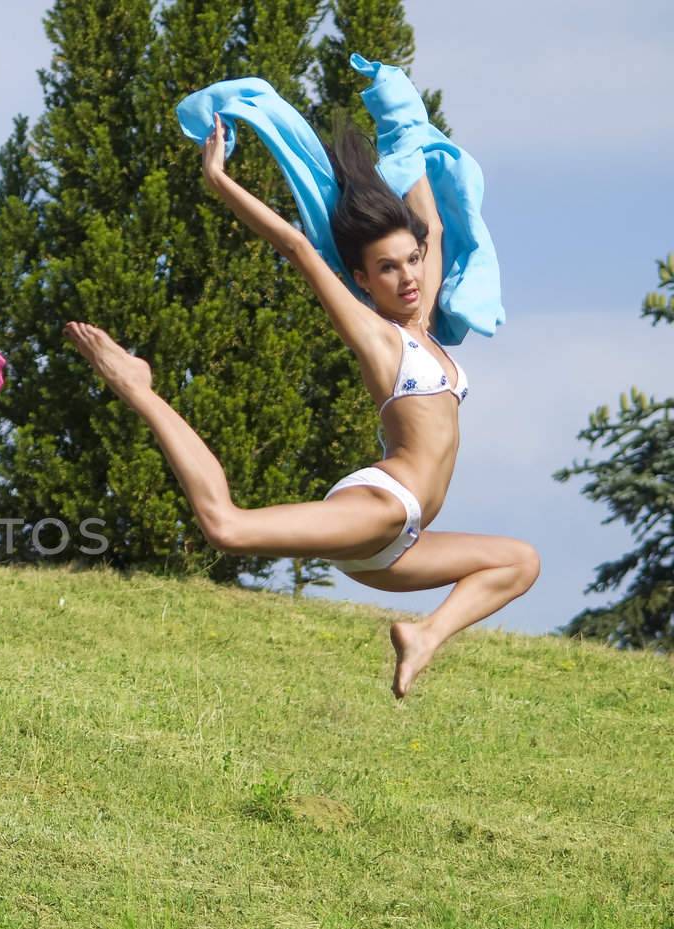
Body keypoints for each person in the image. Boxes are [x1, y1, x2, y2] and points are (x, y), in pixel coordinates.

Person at [65, 115, 538, 698]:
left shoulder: (422, 323)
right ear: (363, 280)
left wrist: (404, 124)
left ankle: (424, 636)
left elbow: (433, 228)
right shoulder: (379, 337)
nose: (409, 275)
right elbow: (296, 247)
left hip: (400, 543)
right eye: (388, 268)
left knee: (520, 562)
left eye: (410, 261)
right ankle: (140, 388)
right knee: (226, 527)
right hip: (383, 505)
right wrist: (219, 180)